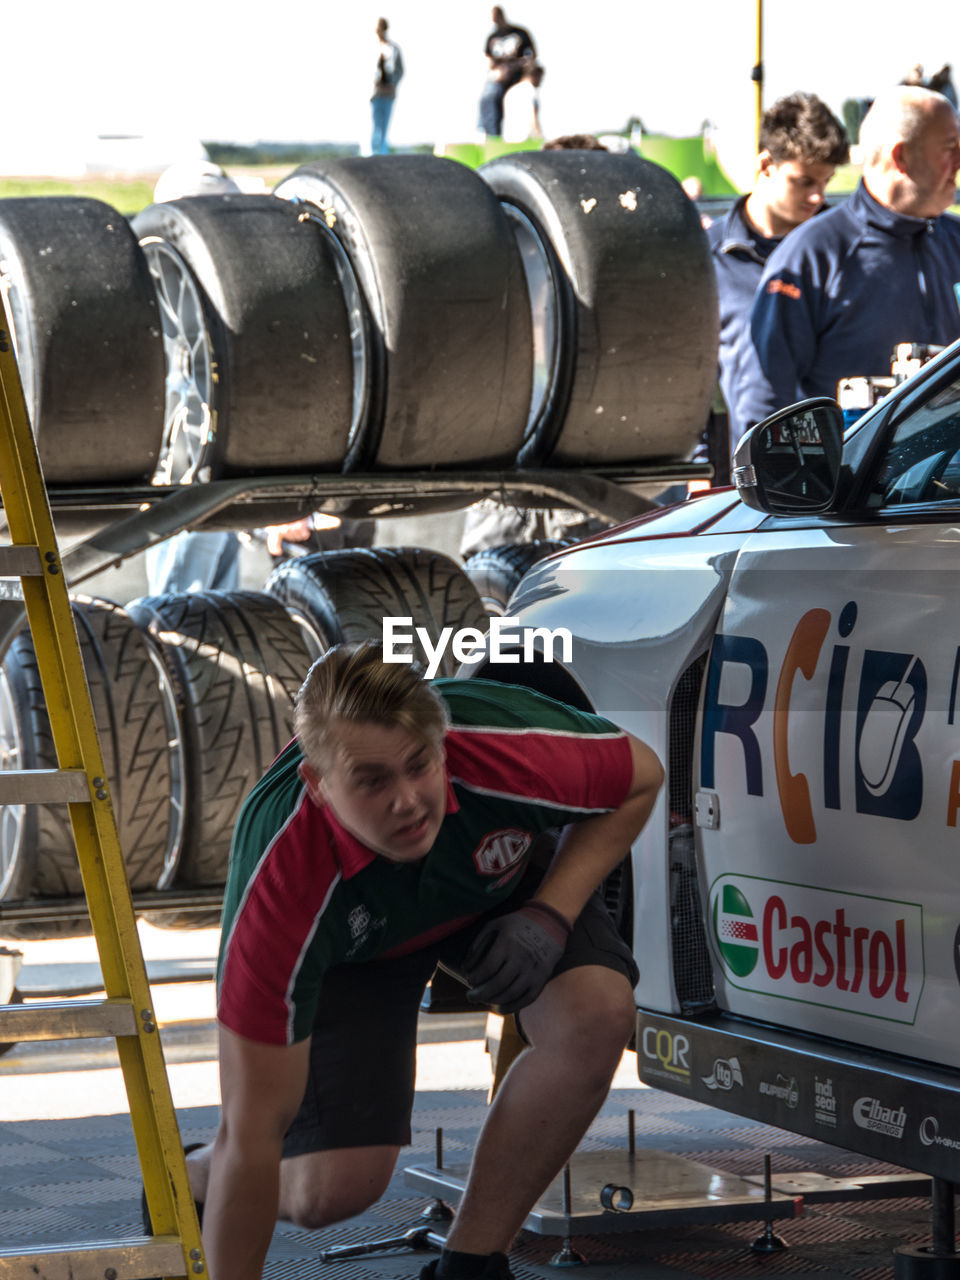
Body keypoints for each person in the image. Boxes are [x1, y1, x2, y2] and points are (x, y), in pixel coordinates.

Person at [171, 642, 663, 1280]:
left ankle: (471, 1264)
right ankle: (188, 1177)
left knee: (597, 1013)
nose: (407, 801)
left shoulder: (502, 747)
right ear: (318, 784)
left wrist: (552, 913)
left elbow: (641, 777)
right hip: (357, 938)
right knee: (330, 1193)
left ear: (443, 744)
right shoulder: (280, 885)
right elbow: (254, 1130)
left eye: (418, 765)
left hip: (492, 876)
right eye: (372, 781)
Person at [734, 85, 960, 437]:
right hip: (854, 487)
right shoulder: (811, 255)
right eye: (950, 149)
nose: (959, 161)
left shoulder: (955, 241)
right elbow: (765, 403)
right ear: (901, 158)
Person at [706, 93, 849, 447]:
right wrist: (699, 465)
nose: (818, 196)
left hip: (839, 465)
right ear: (766, 164)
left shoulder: (846, 252)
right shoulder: (706, 258)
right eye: (804, 181)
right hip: (739, 473)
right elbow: (686, 376)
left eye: (826, 182)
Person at [146, 161, 244, 597]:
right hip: (188, 484)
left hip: (215, 481)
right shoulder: (161, 287)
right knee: (182, 611)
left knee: (213, 610)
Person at [478, 6, 536, 138]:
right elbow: (489, 61)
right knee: (488, 96)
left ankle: (529, 135)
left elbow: (532, 56)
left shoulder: (519, 33)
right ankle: (491, 136)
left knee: (525, 99)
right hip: (500, 76)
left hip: (519, 74)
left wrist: (517, 66)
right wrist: (501, 71)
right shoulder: (493, 37)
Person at [371, 17, 404, 156]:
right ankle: (372, 157)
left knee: (383, 131)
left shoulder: (393, 49)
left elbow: (400, 70)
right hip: (374, 94)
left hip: (388, 94)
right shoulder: (372, 48)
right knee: (374, 129)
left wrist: (392, 83)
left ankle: (381, 158)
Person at [500, 61, 544, 144]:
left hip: (509, 139)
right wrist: (540, 138)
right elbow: (533, 117)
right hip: (526, 140)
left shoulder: (511, 91)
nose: (541, 81)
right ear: (535, 75)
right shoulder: (530, 91)